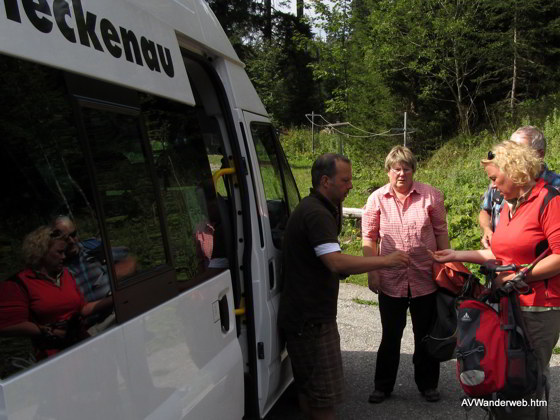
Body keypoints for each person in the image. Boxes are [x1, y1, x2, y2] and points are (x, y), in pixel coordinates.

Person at [433, 140, 560, 419]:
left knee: (526, 381)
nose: (491, 186)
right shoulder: (507, 206)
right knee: (503, 374)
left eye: (494, 178)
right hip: (507, 304)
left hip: (537, 307)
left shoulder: (550, 200)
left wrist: (519, 276)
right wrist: (454, 253)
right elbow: (497, 254)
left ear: (513, 170)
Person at [278, 153, 409, 420]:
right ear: (325, 181)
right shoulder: (316, 213)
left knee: (309, 391)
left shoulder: (320, 206)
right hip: (312, 321)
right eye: (345, 180)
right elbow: (335, 262)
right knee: (324, 398)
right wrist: (383, 261)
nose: (350, 185)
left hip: (302, 316)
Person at [362, 145, 450, 404]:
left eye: (406, 168)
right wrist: (372, 271)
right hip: (391, 280)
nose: (401, 173)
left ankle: (428, 385)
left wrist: (448, 265)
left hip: (426, 277)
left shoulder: (431, 196)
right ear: (388, 171)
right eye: (396, 169)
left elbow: (441, 232)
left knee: (425, 335)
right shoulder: (376, 199)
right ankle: (383, 386)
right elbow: (369, 238)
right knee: (391, 335)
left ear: (414, 170)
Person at [0, 226, 113, 360]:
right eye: (59, 252)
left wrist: (114, 299)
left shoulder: (65, 275)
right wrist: (48, 331)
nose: (64, 257)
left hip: (83, 345)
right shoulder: (19, 283)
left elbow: (82, 308)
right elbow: (7, 325)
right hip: (54, 354)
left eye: (64, 252)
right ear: (41, 252)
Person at [479, 126, 560, 248]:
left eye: (518, 151)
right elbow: (485, 211)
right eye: (509, 151)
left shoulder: (554, 188)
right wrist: (487, 229)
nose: (511, 157)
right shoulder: (499, 182)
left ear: (540, 154)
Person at [52, 216, 136, 302]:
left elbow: (130, 261)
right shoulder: (57, 267)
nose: (72, 241)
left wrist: (111, 276)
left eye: (73, 235)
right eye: (65, 239)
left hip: (115, 307)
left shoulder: (93, 247)